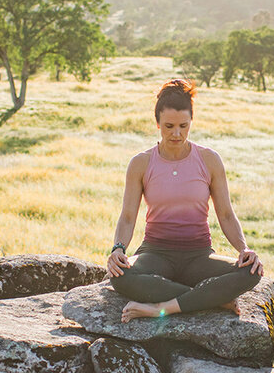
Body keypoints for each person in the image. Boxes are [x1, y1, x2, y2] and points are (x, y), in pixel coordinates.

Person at [107, 79, 264, 322]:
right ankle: (210, 298)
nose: (176, 133)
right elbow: (128, 217)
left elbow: (226, 214)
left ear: (191, 121)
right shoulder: (141, 163)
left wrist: (244, 249)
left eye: (183, 125)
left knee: (251, 273)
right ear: (157, 123)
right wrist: (118, 249)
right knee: (120, 276)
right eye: (169, 126)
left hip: (199, 256)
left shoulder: (209, 160)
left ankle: (163, 308)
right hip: (155, 253)